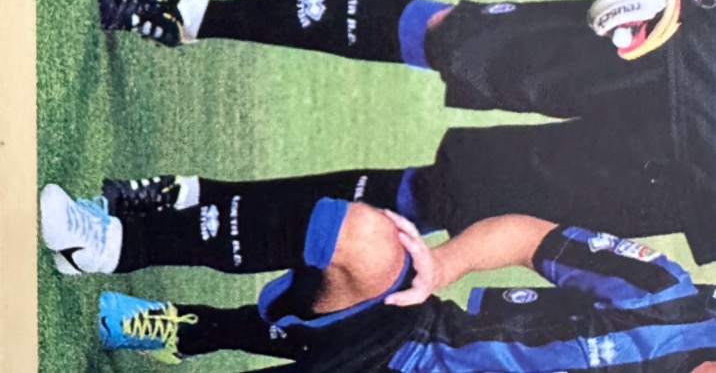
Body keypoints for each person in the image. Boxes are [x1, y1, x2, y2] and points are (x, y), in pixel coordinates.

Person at [96, 0, 716, 264]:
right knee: (453, 37)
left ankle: (191, 202)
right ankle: (189, 16)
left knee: (444, 199)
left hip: (694, 184)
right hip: (683, 50)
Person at [39, 181, 716, 371]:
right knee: (366, 236)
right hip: (414, 340)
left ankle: (188, 330)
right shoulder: (666, 296)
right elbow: (530, 237)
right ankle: (113, 244)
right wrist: (441, 263)